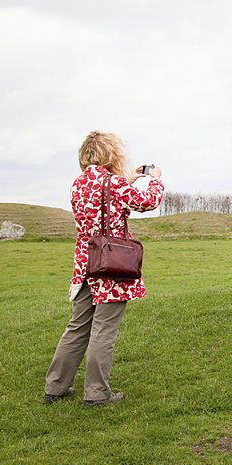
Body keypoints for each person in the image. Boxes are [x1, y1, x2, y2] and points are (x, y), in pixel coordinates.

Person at [43, 131, 164, 406]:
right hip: (112, 264)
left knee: (77, 327)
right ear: (111, 154)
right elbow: (147, 202)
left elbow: (102, 198)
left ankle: (56, 387)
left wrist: (127, 180)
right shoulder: (115, 183)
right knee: (103, 330)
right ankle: (97, 394)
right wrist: (155, 180)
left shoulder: (78, 184)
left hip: (85, 265)